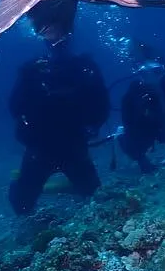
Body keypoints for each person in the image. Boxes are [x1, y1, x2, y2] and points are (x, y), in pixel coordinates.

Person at [7, 37, 111, 215]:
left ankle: (67, 187)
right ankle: (56, 188)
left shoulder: (84, 69)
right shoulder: (33, 71)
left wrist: (94, 125)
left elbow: (101, 103)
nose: (58, 45)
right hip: (41, 145)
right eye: (53, 41)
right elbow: (15, 106)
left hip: (73, 143)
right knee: (22, 203)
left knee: (94, 194)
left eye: (62, 40)